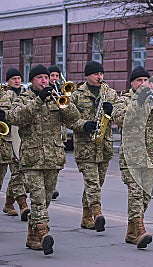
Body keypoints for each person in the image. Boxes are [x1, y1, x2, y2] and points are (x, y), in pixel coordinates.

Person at [1, 64, 80, 255]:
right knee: (37, 199)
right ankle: (44, 234)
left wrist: (65, 102)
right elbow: (15, 117)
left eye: (46, 77)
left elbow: (74, 118)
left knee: (44, 200)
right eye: (40, 78)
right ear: (33, 80)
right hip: (32, 158)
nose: (45, 81)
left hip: (53, 157)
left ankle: (32, 235)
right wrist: (38, 100)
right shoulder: (24, 98)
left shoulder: (56, 97)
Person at [114, 66, 153, 249]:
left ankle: (131, 232)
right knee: (136, 194)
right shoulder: (123, 100)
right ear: (132, 84)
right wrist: (139, 102)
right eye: (139, 81)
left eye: (146, 80)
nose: (143, 84)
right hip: (131, 157)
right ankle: (140, 229)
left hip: (151, 157)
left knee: (147, 194)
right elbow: (121, 118)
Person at [69, 61, 117, 232]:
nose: (99, 77)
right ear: (87, 76)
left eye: (101, 74)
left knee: (97, 182)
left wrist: (112, 111)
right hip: (85, 146)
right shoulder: (77, 94)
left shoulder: (110, 93)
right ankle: (97, 214)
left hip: (104, 145)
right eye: (96, 74)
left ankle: (86, 216)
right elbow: (69, 119)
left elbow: (119, 116)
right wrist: (83, 125)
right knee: (92, 183)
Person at [0, 68, 30, 221]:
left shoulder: (26, 95)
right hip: (5, 141)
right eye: (13, 79)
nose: (17, 81)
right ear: (8, 81)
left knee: (18, 175)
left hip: (20, 141)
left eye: (19, 78)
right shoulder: (4, 95)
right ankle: (9, 204)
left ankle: (22, 205)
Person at [48, 65, 63, 200]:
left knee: (57, 162)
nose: (55, 78)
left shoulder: (61, 89)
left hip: (59, 133)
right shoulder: (46, 91)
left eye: (57, 76)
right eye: (52, 76)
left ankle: (52, 185)